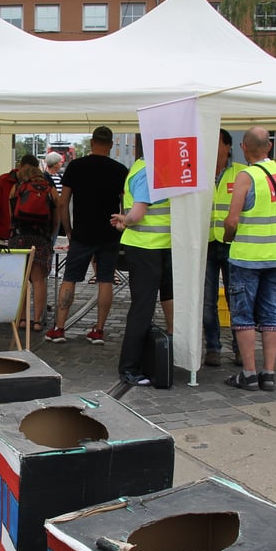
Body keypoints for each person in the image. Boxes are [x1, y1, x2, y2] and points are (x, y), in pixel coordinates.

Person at [223, 127, 276, 392]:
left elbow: (232, 220)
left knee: (243, 316)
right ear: (269, 147)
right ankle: (269, 373)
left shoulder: (246, 176)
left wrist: (228, 236)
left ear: (243, 147)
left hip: (246, 258)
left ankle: (249, 374)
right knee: (270, 314)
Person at [45, 126, 129, 345]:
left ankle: (59, 328)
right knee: (105, 280)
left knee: (70, 278)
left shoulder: (76, 166)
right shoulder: (120, 170)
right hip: (109, 233)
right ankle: (99, 330)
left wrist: (68, 230)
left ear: (92, 142)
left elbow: (63, 203)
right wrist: (122, 224)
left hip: (82, 233)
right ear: (111, 145)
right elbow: (126, 204)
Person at [110, 140, 173, 386]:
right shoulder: (150, 172)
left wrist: (125, 221)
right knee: (142, 309)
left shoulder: (138, 166)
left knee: (147, 305)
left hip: (152, 247)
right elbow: (138, 213)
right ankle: (129, 368)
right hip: (148, 248)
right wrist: (127, 219)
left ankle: (143, 361)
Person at [204, 129, 245, 367]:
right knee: (207, 301)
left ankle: (240, 348)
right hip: (208, 244)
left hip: (233, 244)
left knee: (235, 298)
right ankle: (213, 347)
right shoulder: (199, 174)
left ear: (228, 146)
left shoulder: (241, 174)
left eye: (215, 142)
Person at [9, 159, 57, 331]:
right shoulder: (50, 190)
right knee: (38, 280)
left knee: (21, 280)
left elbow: (11, 216)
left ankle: (22, 319)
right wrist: (49, 235)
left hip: (19, 238)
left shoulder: (16, 189)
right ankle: (37, 321)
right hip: (41, 239)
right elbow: (56, 217)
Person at [0, 154, 37, 245]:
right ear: (20, 166)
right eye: (26, 170)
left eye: (32, 171)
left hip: (24, 234)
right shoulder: (3, 181)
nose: (28, 174)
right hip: (2, 233)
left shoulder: (34, 184)